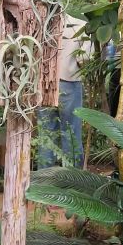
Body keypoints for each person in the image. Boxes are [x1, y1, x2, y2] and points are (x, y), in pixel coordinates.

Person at [37, 14, 91, 168]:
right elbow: (84, 60)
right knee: (71, 132)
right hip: (69, 82)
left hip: (44, 84)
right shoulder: (81, 25)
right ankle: (72, 177)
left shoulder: (41, 24)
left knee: (46, 134)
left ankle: (44, 177)